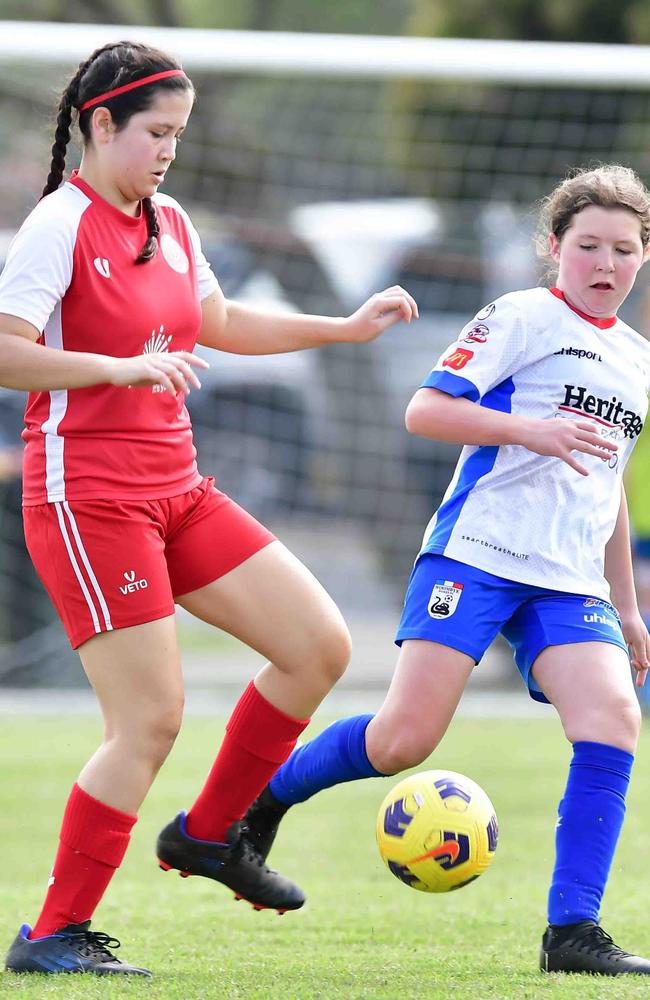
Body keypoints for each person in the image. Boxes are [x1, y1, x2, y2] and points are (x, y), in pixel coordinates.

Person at [0, 41, 418, 978]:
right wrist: (115, 366)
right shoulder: (58, 227)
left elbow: (219, 323)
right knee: (149, 720)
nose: (168, 152)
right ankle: (53, 933)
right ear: (99, 124)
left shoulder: (171, 218)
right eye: (155, 132)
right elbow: (5, 349)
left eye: (179, 136)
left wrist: (342, 327)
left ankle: (210, 833)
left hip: (177, 487)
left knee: (319, 647)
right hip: (89, 498)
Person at [244, 164, 650, 977]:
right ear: (553, 247)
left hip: (568, 579)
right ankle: (260, 801)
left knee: (613, 717)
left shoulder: (637, 358)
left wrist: (627, 604)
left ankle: (572, 933)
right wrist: (533, 433)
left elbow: (606, 490)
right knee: (403, 741)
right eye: (588, 246)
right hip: (478, 553)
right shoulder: (522, 317)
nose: (605, 264)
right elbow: (423, 409)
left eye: (624, 249)